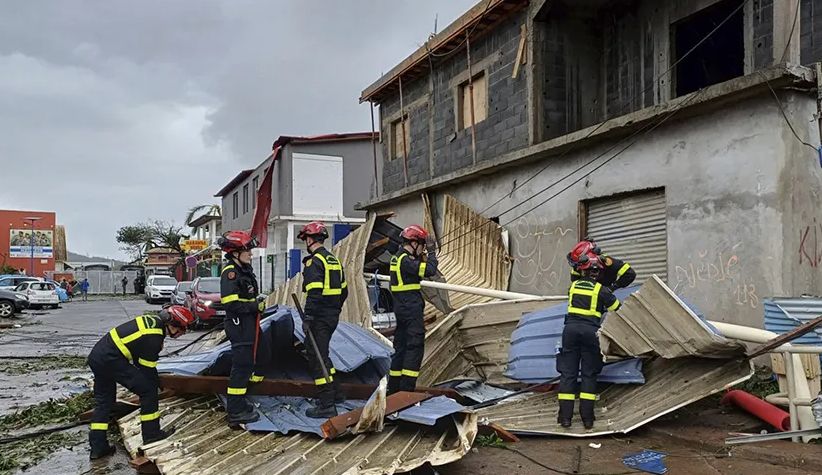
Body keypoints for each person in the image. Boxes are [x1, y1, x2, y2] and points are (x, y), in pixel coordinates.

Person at [86, 305, 194, 459]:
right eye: (183, 329)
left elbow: (138, 357)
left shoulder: (152, 322)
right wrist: (157, 385)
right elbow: (147, 370)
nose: (182, 333)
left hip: (98, 357)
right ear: (174, 324)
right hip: (112, 360)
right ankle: (152, 434)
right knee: (148, 392)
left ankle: (98, 448)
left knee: (104, 402)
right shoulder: (155, 336)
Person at [557, 254, 621, 430]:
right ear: (598, 273)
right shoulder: (601, 290)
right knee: (588, 375)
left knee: (568, 374)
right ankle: (587, 420)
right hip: (590, 333)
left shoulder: (573, 287)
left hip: (569, 331)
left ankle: (565, 419)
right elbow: (617, 308)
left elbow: (574, 274)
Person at [217, 230, 269, 425]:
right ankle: (235, 410)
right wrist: (255, 306)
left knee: (263, 354)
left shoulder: (244, 270)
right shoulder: (230, 273)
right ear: (236, 252)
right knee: (242, 366)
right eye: (247, 250)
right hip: (240, 326)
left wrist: (256, 303)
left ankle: (246, 395)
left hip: (250, 323)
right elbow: (230, 303)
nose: (251, 253)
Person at [297, 221, 348, 418]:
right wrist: (334, 308)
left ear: (310, 239)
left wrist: (309, 317)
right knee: (323, 354)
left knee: (316, 357)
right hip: (331, 315)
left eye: (305, 239)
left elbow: (314, 292)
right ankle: (337, 393)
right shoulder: (333, 260)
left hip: (318, 317)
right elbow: (344, 291)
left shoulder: (314, 262)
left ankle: (326, 404)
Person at [388, 225, 438, 394]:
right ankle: (406, 391)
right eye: (422, 245)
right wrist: (431, 253)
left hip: (401, 309)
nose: (423, 248)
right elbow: (430, 270)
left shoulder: (398, 257)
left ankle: (393, 389)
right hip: (411, 309)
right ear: (414, 243)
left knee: (400, 347)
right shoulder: (406, 260)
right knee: (414, 347)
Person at [567, 238, 636, 290]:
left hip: (605, 297)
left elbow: (630, 274)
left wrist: (613, 287)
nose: (578, 268)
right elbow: (574, 281)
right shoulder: (578, 265)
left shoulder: (607, 262)